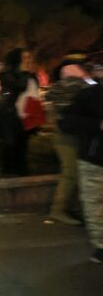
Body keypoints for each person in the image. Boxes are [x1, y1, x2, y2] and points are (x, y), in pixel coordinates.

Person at [45, 54, 95, 225]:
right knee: (70, 174)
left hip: (65, 136)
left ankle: (71, 208)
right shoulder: (78, 87)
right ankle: (58, 210)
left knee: (74, 173)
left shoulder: (58, 89)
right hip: (68, 137)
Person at [58, 80, 103, 263]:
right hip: (95, 161)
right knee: (95, 207)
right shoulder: (92, 94)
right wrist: (97, 125)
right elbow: (66, 122)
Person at [0, 48, 34, 175]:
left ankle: (21, 167)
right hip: (9, 113)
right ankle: (10, 169)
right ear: (17, 60)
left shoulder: (27, 74)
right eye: (25, 58)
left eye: (29, 57)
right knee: (11, 143)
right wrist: (26, 73)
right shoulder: (7, 74)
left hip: (24, 112)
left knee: (22, 143)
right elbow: (20, 86)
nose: (28, 60)